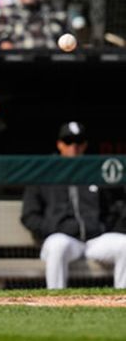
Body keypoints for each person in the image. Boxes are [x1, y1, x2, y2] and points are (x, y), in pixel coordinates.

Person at [21, 121, 126, 289]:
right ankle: (55, 302)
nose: (73, 147)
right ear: (59, 144)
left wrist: (104, 226)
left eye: (78, 142)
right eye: (68, 142)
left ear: (85, 145)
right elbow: (29, 215)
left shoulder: (96, 171)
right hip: (63, 238)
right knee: (57, 245)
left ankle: (122, 300)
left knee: (124, 244)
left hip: (95, 240)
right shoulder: (44, 173)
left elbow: (113, 208)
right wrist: (52, 227)